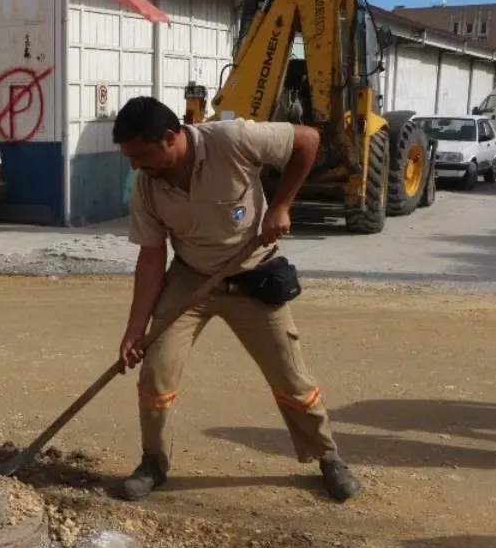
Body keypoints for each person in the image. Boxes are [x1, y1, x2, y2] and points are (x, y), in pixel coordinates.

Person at [112, 96, 362, 504]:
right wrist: (136, 330)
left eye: (140, 154)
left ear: (171, 138)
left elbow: (309, 140)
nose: (135, 165)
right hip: (191, 280)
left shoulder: (232, 139)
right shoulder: (147, 187)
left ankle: (327, 456)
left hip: (253, 275)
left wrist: (280, 205)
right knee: (156, 371)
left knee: (291, 377)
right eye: (129, 157)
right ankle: (153, 463)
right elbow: (152, 257)